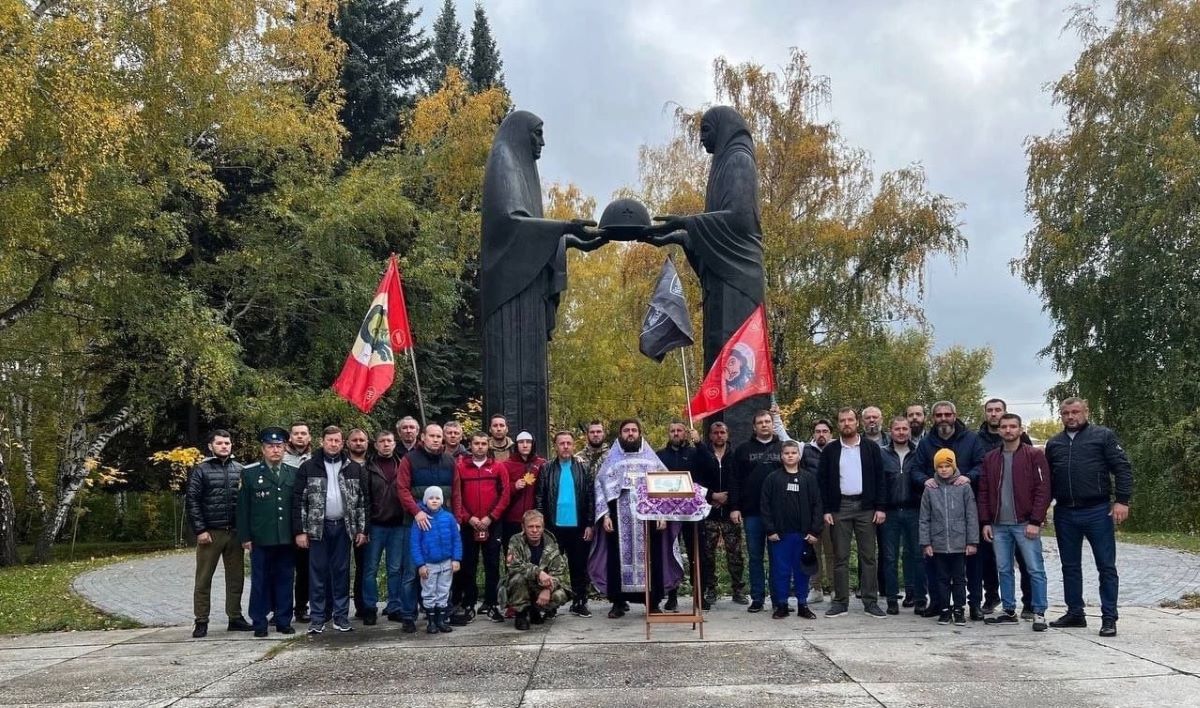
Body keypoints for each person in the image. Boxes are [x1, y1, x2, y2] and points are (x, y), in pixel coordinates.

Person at [1045, 397, 1133, 638]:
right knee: (1069, 566)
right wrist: (1042, 508)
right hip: (1064, 512)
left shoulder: (1102, 436)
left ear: (1086, 412)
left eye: (1075, 412)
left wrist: (1122, 500)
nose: (1071, 417)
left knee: (1106, 565)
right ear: (1060, 415)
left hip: (1097, 510)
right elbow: (1049, 481)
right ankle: (1075, 612)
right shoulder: (1054, 444)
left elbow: (1122, 468)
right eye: (1066, 413)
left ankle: (1109, 617)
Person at [588, 419, 684, 618]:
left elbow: (665, 486)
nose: (630, 434)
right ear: (620, 434)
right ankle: (618, 602)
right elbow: (600, 487)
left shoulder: (652, 460)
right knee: (616, 558)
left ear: (640, 433)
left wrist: (663, 514)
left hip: (648, 519)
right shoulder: (611, 461)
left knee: (653, 558)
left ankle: (653, 601)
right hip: (618, 518)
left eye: (634, 430)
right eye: (626, 430)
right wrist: (605, 515)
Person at [913, 401, 986, 619]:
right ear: (933, 418)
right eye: (938, 415)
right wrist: (925, 480)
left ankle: (973, 605)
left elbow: (982, 464)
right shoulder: (927, 443)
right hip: (937, 511)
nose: (943, 418)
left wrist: (969, 476)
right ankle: (939, 603)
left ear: (955, 415)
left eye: (947, 414)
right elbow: (915, 469)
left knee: (971, 566)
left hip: (964, 510)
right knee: (937, 568)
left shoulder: (971, 439)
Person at [292, 426, 368, 634]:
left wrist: (362, 529)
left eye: (337, 441)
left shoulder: (353, 468)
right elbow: (298, 501)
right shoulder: (308, 467)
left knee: (342, 573)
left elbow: (362, 501)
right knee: (317, 573)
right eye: (329, 440)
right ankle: (317, 618)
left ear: (342, 443)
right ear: (321, 442)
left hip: (343, 527)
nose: (333, 444)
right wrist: (300, 531)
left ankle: (341, 617)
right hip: (318, 528)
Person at [979, 413, 1051, 632]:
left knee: (1035, 568)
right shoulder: (991, 458)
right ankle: (1008, 610)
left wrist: (1036, 520)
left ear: (1020, 430)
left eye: (1012, 426)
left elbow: (1043, 489)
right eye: (1004, 426)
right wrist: (985, 521)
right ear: (999, 430)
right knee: (1004, 568)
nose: (1008, 430)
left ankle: (1039, 612)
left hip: (1025, 523)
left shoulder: (1034, 455)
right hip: (999, 524)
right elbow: (983, 491)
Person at [817, 408, 888, 618]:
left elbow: (880, 478)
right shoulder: (830, 450)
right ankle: (840, 601)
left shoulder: (870, 448)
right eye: (842, 420)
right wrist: (826, 510)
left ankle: (870, 601)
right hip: (840, 507)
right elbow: (822, 482)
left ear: (857, 422)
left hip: (866, 507)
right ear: (838, 425)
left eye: (850, 420)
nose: (846, 423)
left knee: (869, 556)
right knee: (840, 556)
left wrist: (881, 507)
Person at [186, 429, 251, 638]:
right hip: (210, 533)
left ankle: (235, 617)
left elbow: (245, 503)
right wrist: (200, 529)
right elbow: (192, 501)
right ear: (211, 446)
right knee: (204, 579)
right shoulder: (201, 470)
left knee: (236, 578)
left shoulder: (240, 469)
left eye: (227, 443)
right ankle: (201, 620)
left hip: (234, 533)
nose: (224, 446)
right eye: (220, 443)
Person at [236, 427, 298, 637]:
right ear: (263, 449)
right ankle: (259, 621)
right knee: (260, 581)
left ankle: (283, 620)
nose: (275, 450)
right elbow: (243, 508)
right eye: (271, 447)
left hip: (286, 537)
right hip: (261, 538)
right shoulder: (250, 473)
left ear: (285, 449)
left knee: (285, 580)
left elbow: (295, 508)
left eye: (279, 446)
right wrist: (244, 536)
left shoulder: (293, 473)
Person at [395, 424, 459, 621]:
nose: (436, 439)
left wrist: (457, 518)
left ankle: (439, 614)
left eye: (439, 436)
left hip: (442, 524)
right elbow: (402, 489)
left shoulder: (449, 460)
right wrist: (416, 512)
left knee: (443, 571)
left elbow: (456, 492)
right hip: (415, 523)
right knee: (412, 572)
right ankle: (408, 615)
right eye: (432, 436)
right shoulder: (409, 459)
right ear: (422, 437)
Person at [977, 398, 1035, 618]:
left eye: (997, 410)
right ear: (985, 414)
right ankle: (992, 596)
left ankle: (1029, 602)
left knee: (1025, 560)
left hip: (1021, 512)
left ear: (1005, 412)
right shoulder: (977, 439)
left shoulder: (1024, 441)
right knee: (991, 560)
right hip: (993, 511)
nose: (993, 414)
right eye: (990, 410)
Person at [452, 432, 511, 624]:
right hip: (468, 525)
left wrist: (490, 517)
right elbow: (456, 496)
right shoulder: (460, 467)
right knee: (468, 565)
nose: (480, 447)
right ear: (470, 445)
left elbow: (505, 495)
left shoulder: (498, 467)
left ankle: (492, 604)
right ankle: (469, 604)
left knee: (492, 565)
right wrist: (468, 518)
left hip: (492, 524)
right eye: (476, 443)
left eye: (483, 444)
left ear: (488, 446)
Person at [535, 431, 596, 618]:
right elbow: (539, 497)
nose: (566, 446)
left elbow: (590, 498)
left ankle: (579, 601)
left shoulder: (583, 468)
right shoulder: (546, 469)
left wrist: (589, 524)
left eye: (569, 443)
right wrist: (541, 522)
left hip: (578, 527)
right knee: (550, 566)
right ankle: (550, 604)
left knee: (579, 566)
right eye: (562, 443)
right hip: (553, 527)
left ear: (574, 446)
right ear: (556, 446)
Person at [729, 410, 784, 613]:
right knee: (755, 557)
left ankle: (780, 599)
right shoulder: (743, 450)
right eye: (760, 422)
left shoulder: (783, 448)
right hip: (752, 512)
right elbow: (734, 480)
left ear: (772, 424)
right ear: (754, 427)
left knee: (778, 557)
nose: (764, 425)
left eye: (767, 421)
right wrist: (734, 507)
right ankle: (758, 598)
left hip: (779, 514)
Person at [362, 429, 417, 630]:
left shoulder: (403, 464)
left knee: (395, 569)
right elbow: (364, 498)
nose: (386, 444)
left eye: (389, 441)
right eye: (382, 441)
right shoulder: (367, 467)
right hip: (376, 525)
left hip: (398, 525)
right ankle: (369, 607)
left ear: (395, 444)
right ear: (375, 445)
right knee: (371, 569)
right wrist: (364, 527)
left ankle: (395, 606)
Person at [761, 441, 823, 619]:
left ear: (799, 455)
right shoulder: (773, 478)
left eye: (793, 452)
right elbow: (765, 506)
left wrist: (814, 531)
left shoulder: (808, 478)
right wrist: (770, 530)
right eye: (786, 453)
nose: (790, 455)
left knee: (802, 571)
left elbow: (817, 505)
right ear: (781, 456)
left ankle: (803, 604)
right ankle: (782, 604)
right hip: (780, 535)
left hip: (803, 534)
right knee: (781, 570)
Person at [919, 449, 979, 627]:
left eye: (947, 466)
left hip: (959, 543)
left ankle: (959, 608)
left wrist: (972, 541)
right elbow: (924, 518)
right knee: (942, 578)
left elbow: (971, 516)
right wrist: (926, 542)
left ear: (954, 467)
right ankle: (944, 608)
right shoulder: (930, 489)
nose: (944, 470)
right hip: (938, 544)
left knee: (960, 578)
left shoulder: (964, 487)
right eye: (940, 466)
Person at [690, 421, 745, 609]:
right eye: (716, 432)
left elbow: (738, 480)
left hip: (730, 512)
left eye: (722, 432)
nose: (719, 435)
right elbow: (696, 481)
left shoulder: (735, 455)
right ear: (710, 435)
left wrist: (731, 502)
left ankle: (738, 589)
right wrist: (711, 495)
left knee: (735, 553)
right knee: (707, 554)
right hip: (709, 512)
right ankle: (711, 589)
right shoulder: (702, 455)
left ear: (727, 434)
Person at [880, 416, 925, 616]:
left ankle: (919, 598)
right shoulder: (882, 454)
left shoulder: (919, 453)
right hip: (889, 512)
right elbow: (877, 483)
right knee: (889, 558)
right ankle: (891, 600)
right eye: (897, 429)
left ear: (909, 431)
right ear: (890, 431)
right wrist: (878, 507)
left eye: (904, 429)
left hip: (914, 510)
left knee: (917, 555)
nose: (901, 432)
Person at [505, 510, 571, 630]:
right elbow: (513, 565)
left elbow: (559, 574)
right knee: (517, 577)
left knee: (561, 594)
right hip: (521, 585)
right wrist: (538, 572)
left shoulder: (552, 544)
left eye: (538, 527)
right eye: (530, 527)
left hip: (541, 587)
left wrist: (548, 589)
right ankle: (521, 614)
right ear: (523, 527)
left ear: (543, 527)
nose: (534, 530)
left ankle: (537, 609)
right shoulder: (516, 540)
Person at [656, 420, 698, 612]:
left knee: (695, 553)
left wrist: (699, 444)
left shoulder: (694, 453)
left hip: (690, 513)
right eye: (672, 431)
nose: (675, 433)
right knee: (670, 554)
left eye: (679, 430)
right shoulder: (659, 456)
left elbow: (706, 469)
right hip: (668, 514)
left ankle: (698, 594)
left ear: (685, 433)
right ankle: (671, 596)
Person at [410, 486, 461, 634]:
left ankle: (441, 620)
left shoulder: (449, 518)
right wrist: (420, 564)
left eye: (437, 498)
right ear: (426, 500)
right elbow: (415, 544)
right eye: (431, 498)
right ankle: (431, 621)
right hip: (429, 564)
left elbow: (456, 540)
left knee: (444, 591)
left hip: (446, 562)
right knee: (429, 591)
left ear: (442, 501)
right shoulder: (420, 520)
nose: (434, 500)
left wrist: (456, 559)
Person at [283, 422, 313, 622]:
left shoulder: (315, 459)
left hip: (307, 521)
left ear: (309, 437)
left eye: (304, 433)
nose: (300, 437)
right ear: (290, 438)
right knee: (283, 569)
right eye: (296, 434)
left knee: (304, 570)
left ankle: (301, 607)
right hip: (283, 521)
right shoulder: (280, 457)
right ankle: (280, 610)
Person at [345, 428, 372, 621]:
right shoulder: (341, 465)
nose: (358, 443)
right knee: (340, 567)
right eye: (354, 440)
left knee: (364, 566)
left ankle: (362, 605)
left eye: (362, 440)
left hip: (366, 522)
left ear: (368, 443)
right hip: (342, 522)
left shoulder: (373, 464)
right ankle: (336, 607)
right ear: (347, 443)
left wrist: (367, 526)